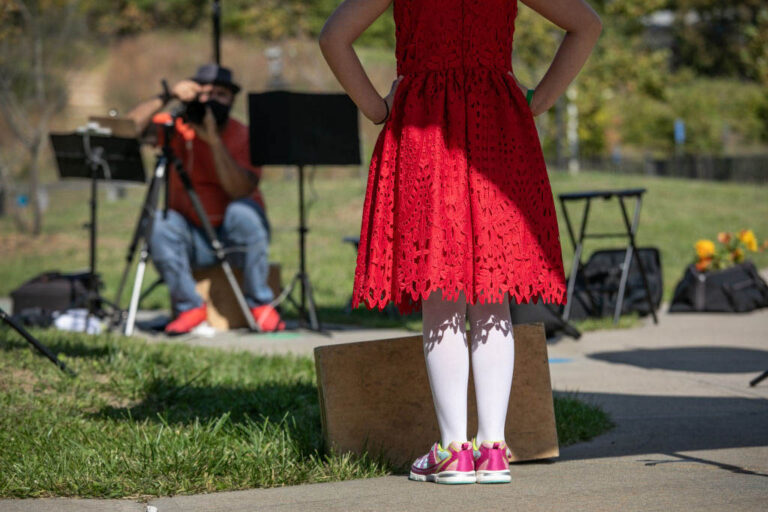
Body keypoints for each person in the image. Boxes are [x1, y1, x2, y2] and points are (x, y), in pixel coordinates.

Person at [319, 0, 600, 484]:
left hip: (424, 125)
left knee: (442, 293)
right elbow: (586, 25)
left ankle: (453, 451)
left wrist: (377, 107)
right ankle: (493, 449)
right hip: (498, 124)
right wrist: (538, 100)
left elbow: (333, 37)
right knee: (492, 296)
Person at [127, 63, 285, 334]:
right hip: (192, 238)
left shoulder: (243, 134)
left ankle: (260, 303)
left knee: (243, 211)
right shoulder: (176, 127)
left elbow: (240, 190)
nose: (212, 101)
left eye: (221, 95)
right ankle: (189, 307)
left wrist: (213, 142)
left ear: (232, 100)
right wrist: (167, 96)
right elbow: (127, 129)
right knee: (158, 222)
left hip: (234, 238)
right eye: (205, 94)